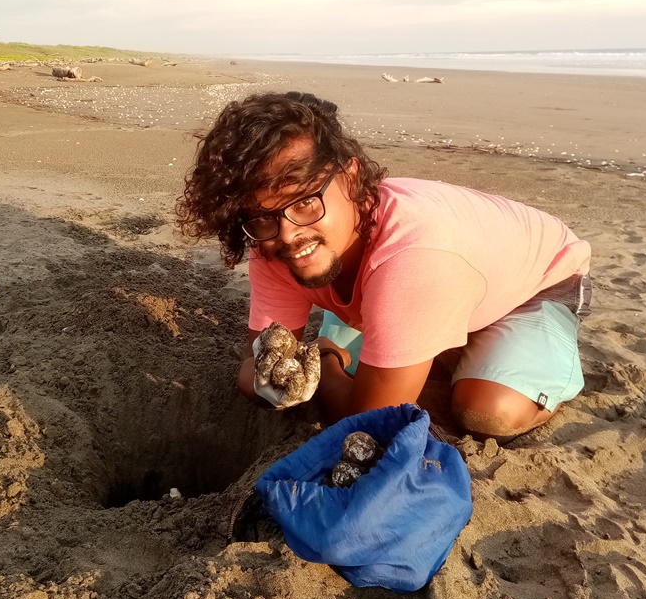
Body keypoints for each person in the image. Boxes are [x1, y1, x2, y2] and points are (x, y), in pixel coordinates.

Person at [176, 92, 592, 440]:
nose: (288, 234)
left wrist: (326, 361)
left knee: (487, 411)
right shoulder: (270, 242)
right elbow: (259, 363)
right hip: (429, 285)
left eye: (305, 202)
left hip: (537, 281)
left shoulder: (412, 255)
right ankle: (436, 338)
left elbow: (371, 422)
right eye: (263, 216)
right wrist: (264, 383)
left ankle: (539, 371)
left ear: (351, 178)